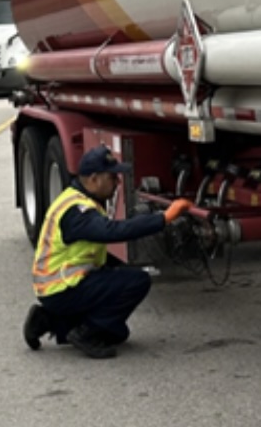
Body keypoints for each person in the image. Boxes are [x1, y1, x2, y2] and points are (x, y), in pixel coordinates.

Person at [23, 144, 192, 359]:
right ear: (94, 179)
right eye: (112, 177)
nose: (118, 182)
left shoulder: (77, 198)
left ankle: (47, 320)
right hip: (61, 287)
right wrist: (164, 218)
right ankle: (85, 334)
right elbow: (113, 231)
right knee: (137, 282)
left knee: (117, 333)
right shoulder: (78, 211)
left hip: (59, 285)